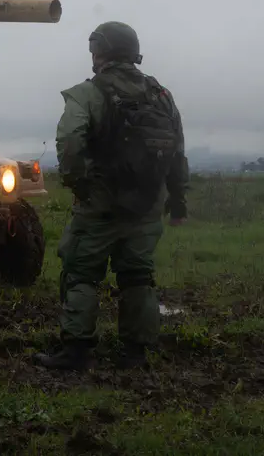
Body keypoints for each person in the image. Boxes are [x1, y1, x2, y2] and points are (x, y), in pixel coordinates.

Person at [35, 21, 189, 371]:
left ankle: (76, 352)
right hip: (147, 207)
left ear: (100, 52)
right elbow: (177, 151)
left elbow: (69, 142)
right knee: (137, 276)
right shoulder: (162, 96)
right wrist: (177, 199)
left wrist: (80, 186)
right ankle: (136, 353)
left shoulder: (88, 93)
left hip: (100, 206)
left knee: (80, 273)